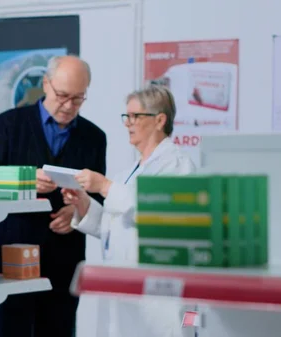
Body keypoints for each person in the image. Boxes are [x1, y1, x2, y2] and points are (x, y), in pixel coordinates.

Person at [62, 84, 196, 337]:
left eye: (135, 116)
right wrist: (84, 204)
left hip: (159, 293)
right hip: (126, 290)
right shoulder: (129, 172)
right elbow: (116, 227)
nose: (128, 123)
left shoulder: (178, 166)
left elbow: (159, 216)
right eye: (127, 116)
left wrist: (104, 186)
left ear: (159, 120)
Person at [0, 55, 107, 337]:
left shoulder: (94, 137)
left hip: (65, 256)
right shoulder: (7, 125)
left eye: (78, 99)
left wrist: (77, 213)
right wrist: (25, 181)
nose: (68, 106)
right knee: (11, 328)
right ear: (45, 84)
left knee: (60, 328)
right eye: (62, 96)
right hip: (14, 254)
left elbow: (98, 196)